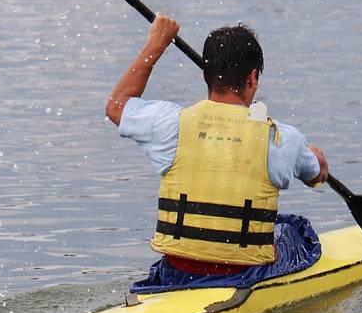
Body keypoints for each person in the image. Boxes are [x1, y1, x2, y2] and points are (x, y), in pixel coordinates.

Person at [106, 14, 329, 288]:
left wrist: (156, 43)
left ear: (205, 76)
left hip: (177, 270)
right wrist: (317, 161)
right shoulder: (283, 138)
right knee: (293, 229)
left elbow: (117, 105)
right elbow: (315, 175)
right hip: (247, 273)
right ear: (253, 77)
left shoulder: (171, 123)